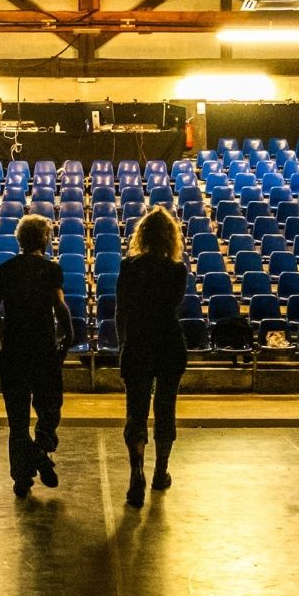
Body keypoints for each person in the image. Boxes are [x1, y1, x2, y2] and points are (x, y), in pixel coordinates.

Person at [0, 214, 74, 498]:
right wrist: (67, 340)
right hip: (44, 351)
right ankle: (40, 450)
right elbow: (60, 308)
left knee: (17, 421)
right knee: (50, 409)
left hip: (13, 353)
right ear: (45, 239)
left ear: (21, 240)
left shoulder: (5, 269)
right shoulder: (50, 270)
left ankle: (22, 478)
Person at [115, 206, 188, 508]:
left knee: (136, 411)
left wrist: (124, 344)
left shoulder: (128, 266)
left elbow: (122, 311)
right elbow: (173, 306)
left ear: (142, 235)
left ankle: (136, 473)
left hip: (138, 342)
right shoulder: (177, 270)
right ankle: (160, 472)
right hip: (169, 343)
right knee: (166, 409)